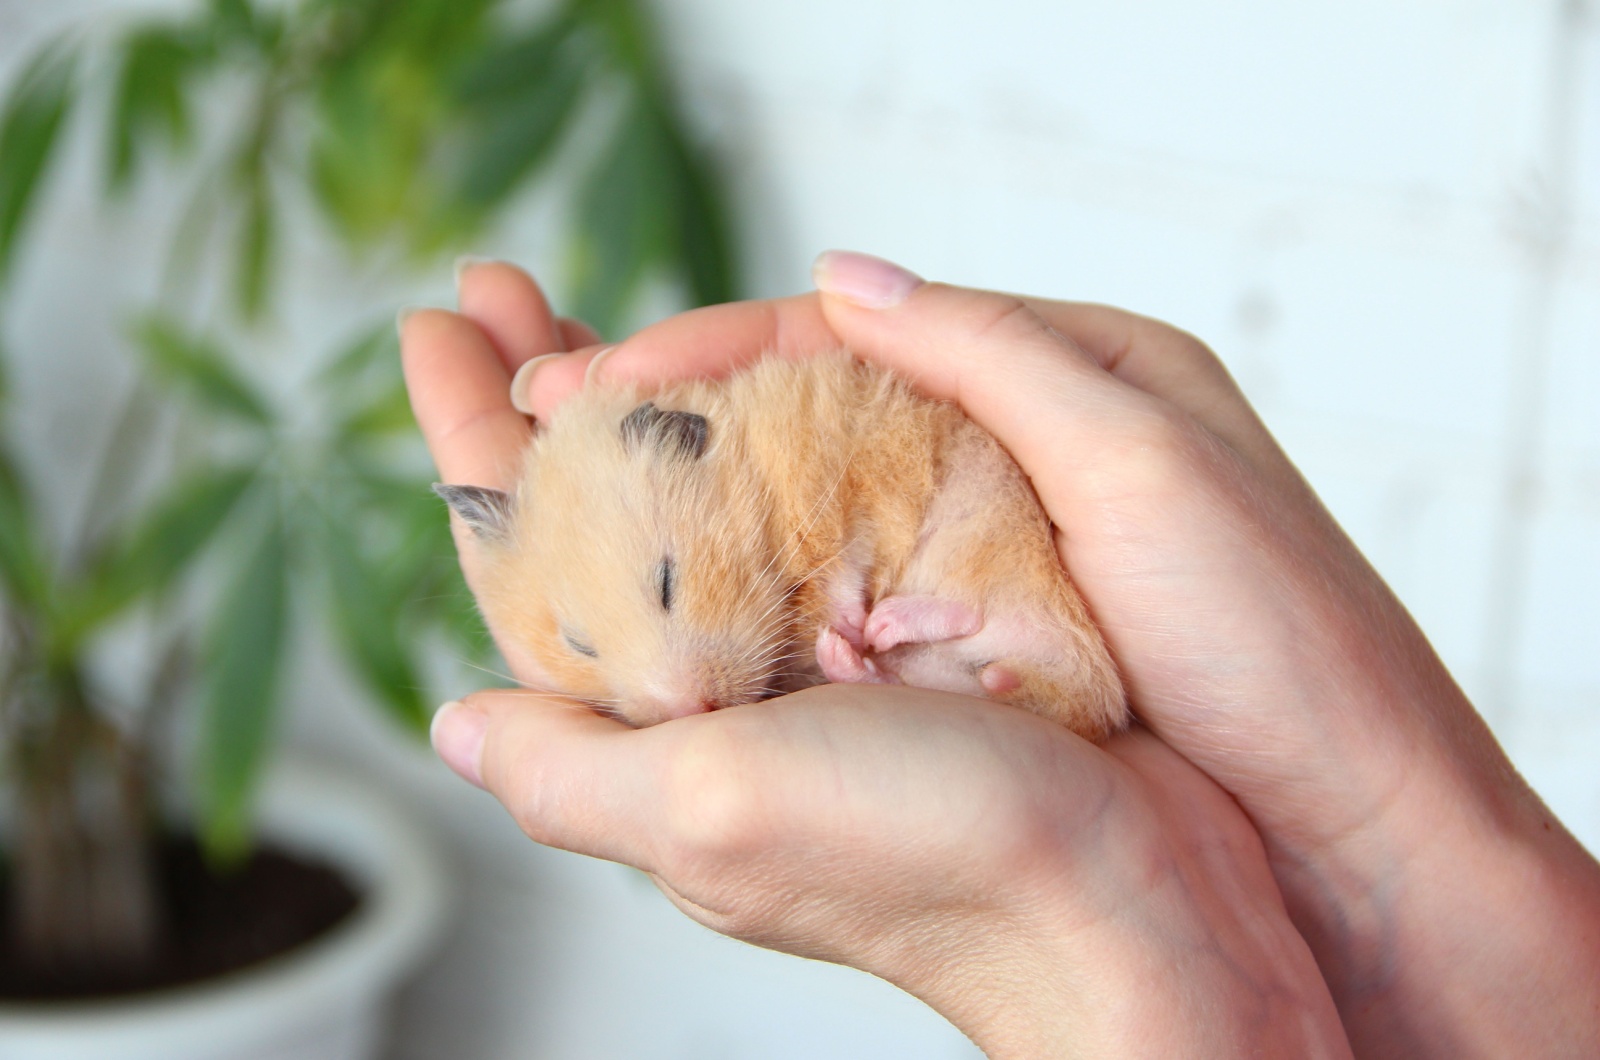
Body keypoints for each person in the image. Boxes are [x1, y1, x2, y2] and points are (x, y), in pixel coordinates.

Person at [400, 250, 1600, 1057]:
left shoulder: (785, 431)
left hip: (970, 554)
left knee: (961, 505)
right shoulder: (629, 551)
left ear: (686, 438)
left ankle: (991, 645)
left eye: (667, 588)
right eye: (590, 648)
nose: (675, 694)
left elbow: (884, 463)